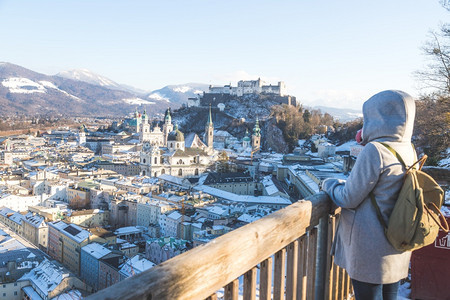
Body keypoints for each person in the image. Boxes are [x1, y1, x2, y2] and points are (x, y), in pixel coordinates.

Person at [322, 90, 416, 300]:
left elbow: (348, 197)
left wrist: (329, 184)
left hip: (370, 246)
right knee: (389, 295)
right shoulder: (408, 148)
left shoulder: (375, 150)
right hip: (396, 239)